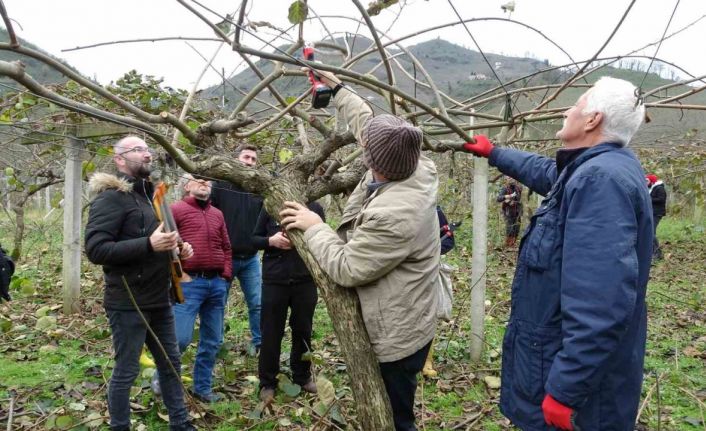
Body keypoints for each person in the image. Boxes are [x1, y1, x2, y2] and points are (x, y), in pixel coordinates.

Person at [462, 77, 653, 431]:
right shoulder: (595, 170)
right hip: (564, 367)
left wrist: (566, 389)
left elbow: (600, 300)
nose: (566, 111)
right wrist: (495, 153)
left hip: (579, 391)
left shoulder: (600, 181)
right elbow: (549, 173)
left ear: (593, 119)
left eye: (575, 106)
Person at [279, 69, 439, 431]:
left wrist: (316, 226)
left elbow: (348, 268)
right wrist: (336, 87)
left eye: (367, 149)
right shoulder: (414, 161)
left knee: (396, 416)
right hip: (403, 307)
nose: (363, 146)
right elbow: (368, 121)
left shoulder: (395, 213)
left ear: (374, 163)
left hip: (399, 330)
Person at [85, 136, 196, 431]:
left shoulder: (154, 198)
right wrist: (148, 244)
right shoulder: (111, 198)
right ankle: (120, 427)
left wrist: (180, 249)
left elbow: (166, 242)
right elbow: (96, 250)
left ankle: (180, 424)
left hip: (160, 298)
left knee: (171, 365)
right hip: (128, 301)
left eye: (147, 149)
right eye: (137, 150)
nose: (146, 154)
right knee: (127, 370)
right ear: (119, 159)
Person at [152, 175, 232, 403]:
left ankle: (202, 388)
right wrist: (179, 274)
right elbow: (164, 246)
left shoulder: (217, 214)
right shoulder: (175, 211)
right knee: (180, 338)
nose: (204, 183)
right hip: (189, 283)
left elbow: (226, 246)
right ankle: (162, 381)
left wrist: (225, 275)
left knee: (212, 339)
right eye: (198, 180)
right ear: (186, 186)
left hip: (216, 284)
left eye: (208, 181)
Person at [251, 202, 325, 403]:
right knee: (271, 332)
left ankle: (302, 377)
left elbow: (323, 240)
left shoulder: (315, 209)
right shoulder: (270, 206)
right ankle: (268, 382)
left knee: (303, 329)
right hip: (275, 281)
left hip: (305, 281)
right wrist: (271, 241)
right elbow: (254, 239)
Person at [211, 144, 264, 356]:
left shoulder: (258, 190)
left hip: (251, 258)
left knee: (258, 303)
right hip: (225, 257)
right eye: (246, 157)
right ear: (236, 159)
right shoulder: (220, 186)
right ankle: (217, 344)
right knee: (218, 303)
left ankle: (259, 343)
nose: (249, 162)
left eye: (253, 159)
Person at [421, 206, 456, 378]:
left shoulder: (433, 210)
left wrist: (428, 253)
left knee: (428, 316)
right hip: (396, 276)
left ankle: (426, 361)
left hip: (427, 272)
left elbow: (449, 241)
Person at [497, 176, 522, 247]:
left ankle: (513, 243)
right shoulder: (505, 188)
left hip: (517, 211)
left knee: (517, 228)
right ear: (506, 180)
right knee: (510, 228)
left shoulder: (518, 188)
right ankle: (508, 245)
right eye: (509, 178)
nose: (511, 179)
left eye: (512, 177)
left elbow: (519, 199)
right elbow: (499, 198)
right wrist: (507, 199)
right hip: (508, 211)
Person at [646, 173, 667, 260]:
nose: (645, 182)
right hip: (652, 213)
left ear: (652, 181)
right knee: (650, 232)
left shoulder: (660, 188)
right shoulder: (651, 189)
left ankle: (658, 254)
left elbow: (662, 200)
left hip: (657, 213)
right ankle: (655, 253)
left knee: (651, 233)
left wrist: (649, 199)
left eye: (646, 181)